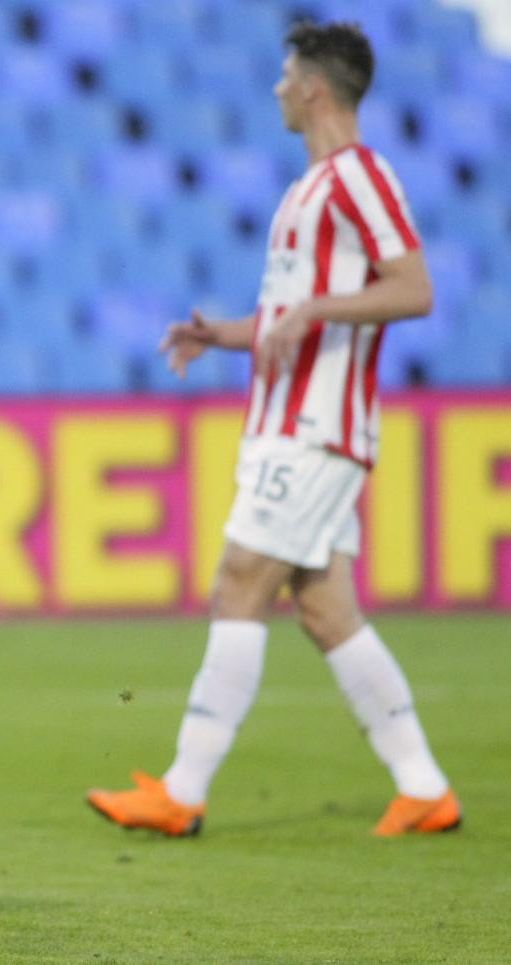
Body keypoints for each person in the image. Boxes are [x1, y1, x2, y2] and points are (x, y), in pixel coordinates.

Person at [87, 22, 460, 838]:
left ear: (316, 88)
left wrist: (318, 310)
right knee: (325, 609)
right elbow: (291, 313)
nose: (277, 86)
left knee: (239, 580)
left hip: (318, 425)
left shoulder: (360, 176)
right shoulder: (308, 189)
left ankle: (181, 790)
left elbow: (414, 288)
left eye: (286, 73)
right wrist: (220, 332)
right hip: (290, 423)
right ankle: (424, 786)